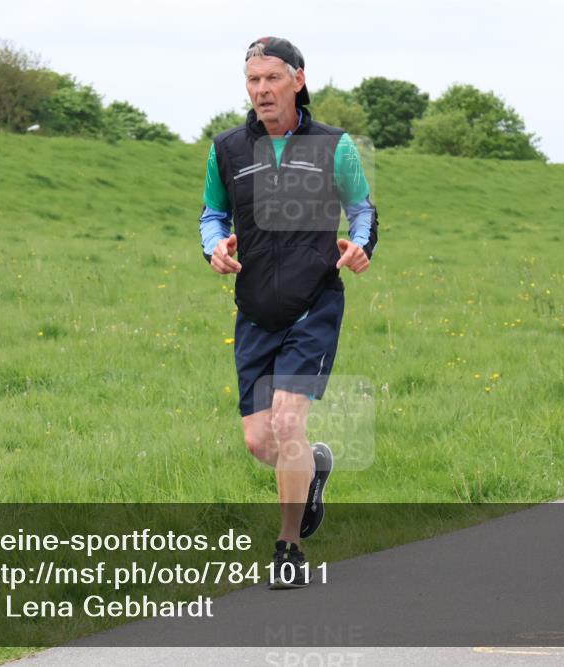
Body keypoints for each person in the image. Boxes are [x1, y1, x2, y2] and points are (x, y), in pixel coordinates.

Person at [198, 36, 378, 589]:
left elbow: (361, 208)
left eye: (272, 79)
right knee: (260, 442)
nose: (261, 90)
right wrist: (215, 246)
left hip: (312, 306)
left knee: (286, 419)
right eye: (252, 81)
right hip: (254, 310)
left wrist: (359, 244)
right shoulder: (227, 149)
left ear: (298, 80)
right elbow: (212, 212)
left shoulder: (334, 146)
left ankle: (288, 548)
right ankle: (315, 468)